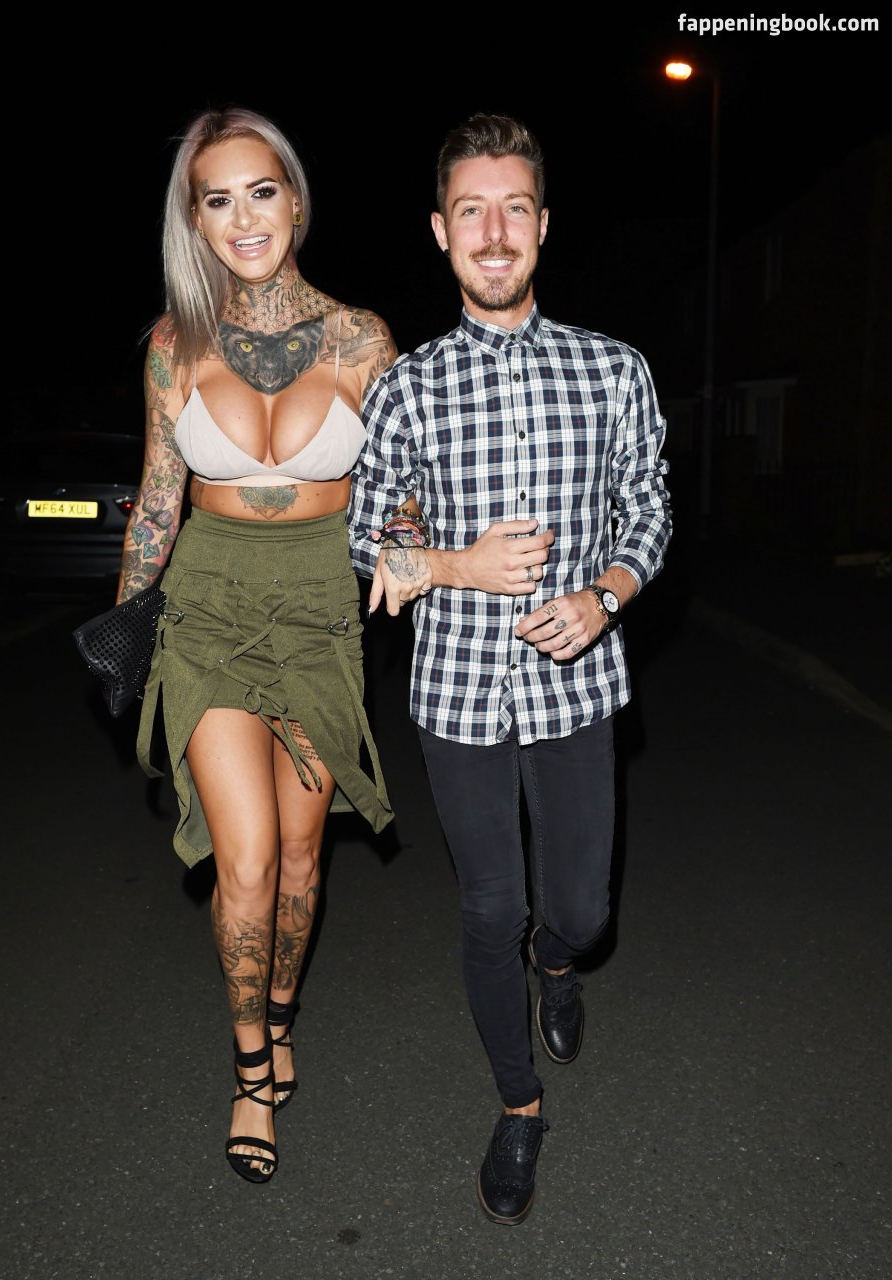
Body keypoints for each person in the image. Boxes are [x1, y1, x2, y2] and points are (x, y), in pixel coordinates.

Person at [347, 113, 672, 1224]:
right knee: (491, 908)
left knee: (578, 909)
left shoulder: (612, 369)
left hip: (577, 685)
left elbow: (647, 507)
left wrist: (604, 595)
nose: (494, 232)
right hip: (458, 692)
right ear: (441, 231)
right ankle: (518, 1105)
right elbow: (372, 537)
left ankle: (560, 965)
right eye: (471, 211)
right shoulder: (407, 387)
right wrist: (452, 562)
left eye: (514, 208)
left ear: (542, 223)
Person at [116, 106, 396, 1185]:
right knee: (243, 860)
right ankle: (248, 1069)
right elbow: (157, 501)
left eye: (261, 190)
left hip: (321, 608)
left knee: (299, 860)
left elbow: (402, 487)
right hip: (209, 609)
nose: (243, 217)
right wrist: (127, 630)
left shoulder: (363, 339)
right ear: (194, 220)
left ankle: (281, 1011)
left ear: (296, 199)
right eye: (216, 198)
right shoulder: (172, 345)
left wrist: (410, 543)